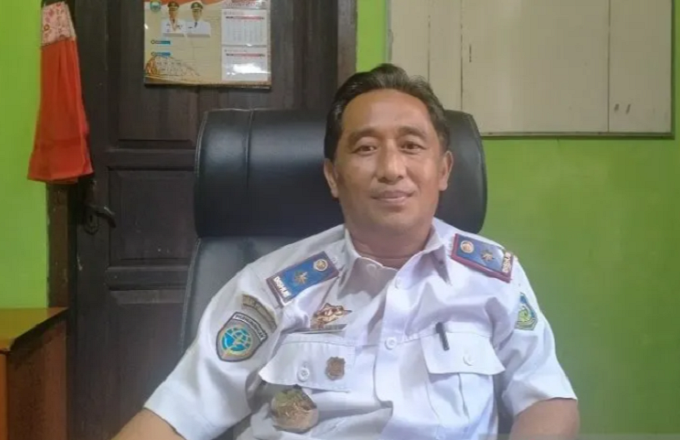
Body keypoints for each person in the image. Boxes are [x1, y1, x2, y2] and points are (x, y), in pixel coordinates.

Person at [112, 63, 579, 440]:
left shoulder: (493, 277)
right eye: (366, 148)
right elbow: (175, 418)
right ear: (333, 177)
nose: (391, 168)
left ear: (443, 170)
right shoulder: (270, 287)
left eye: (411, 146)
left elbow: (546, 399)